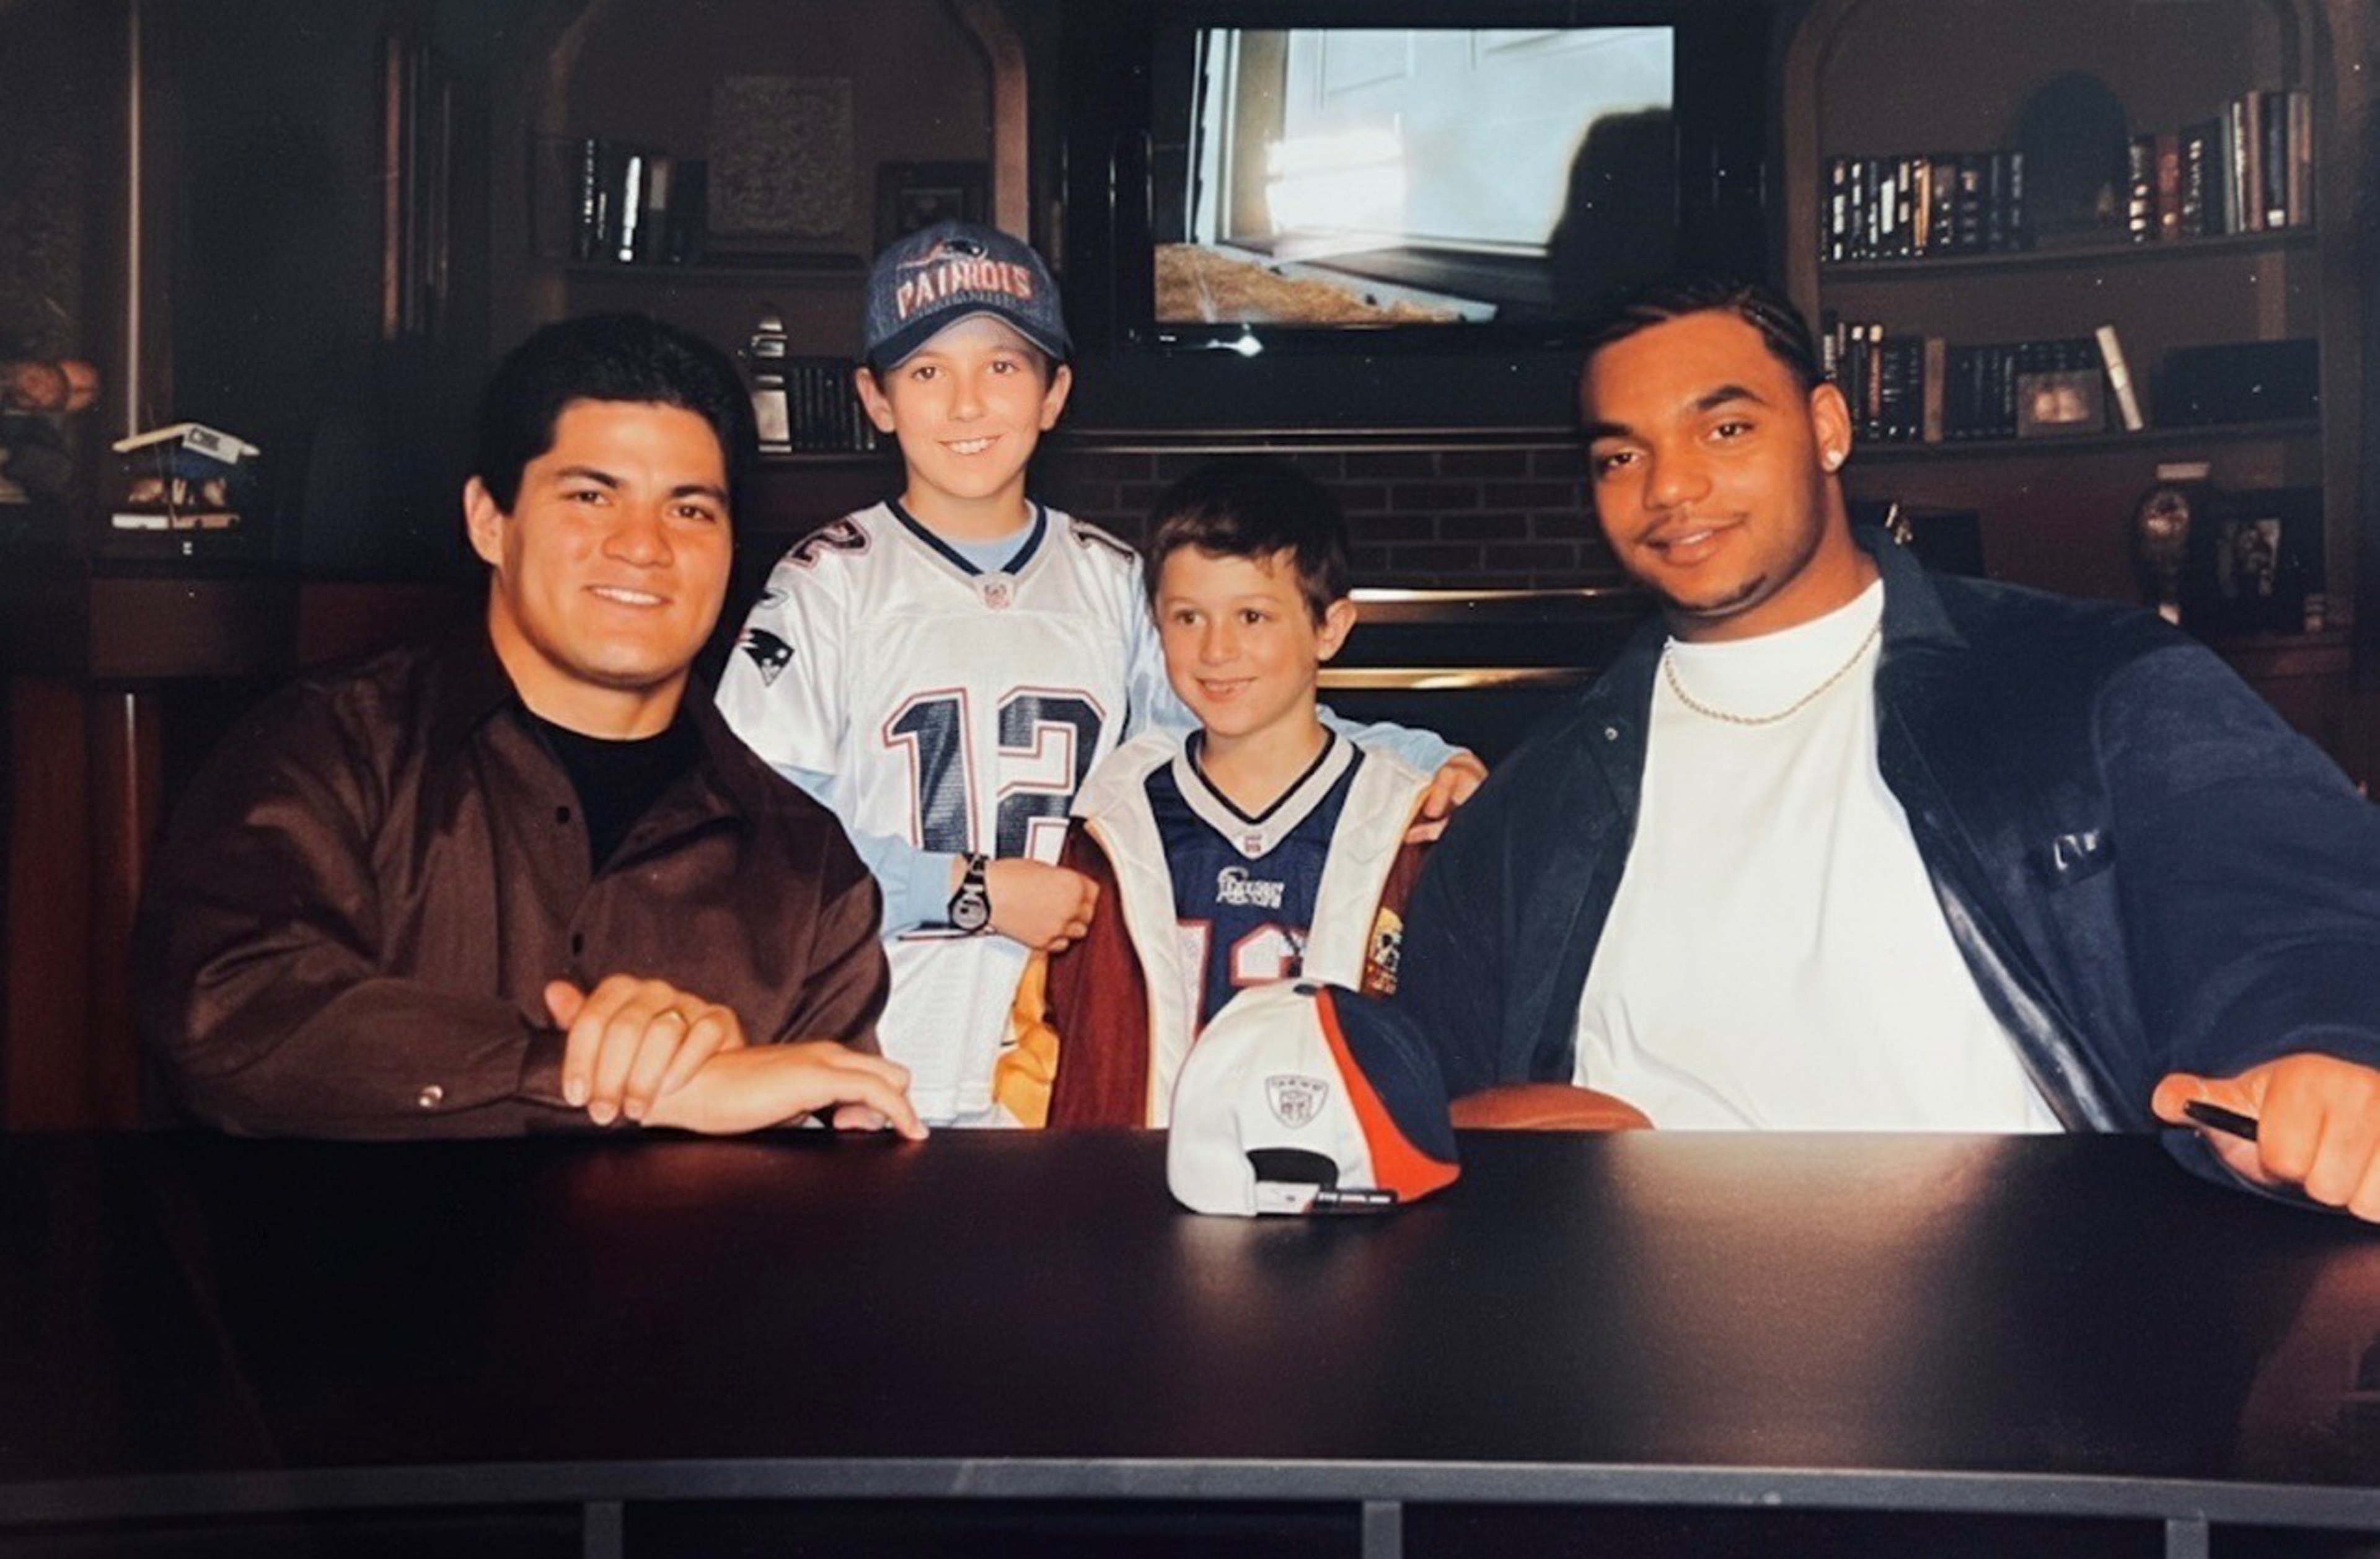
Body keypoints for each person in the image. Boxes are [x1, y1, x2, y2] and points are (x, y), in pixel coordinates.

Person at [1396, 276, 2380, 1218]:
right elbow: (1421, 1104)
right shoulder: (1537, 803)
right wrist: (1481, 1134)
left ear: (1828, 428)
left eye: (1725, 427)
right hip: (1631, 1343)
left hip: (2029, 1331)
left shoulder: (2088, 683)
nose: (1672, 487)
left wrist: (2317, 1052)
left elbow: (2294, 918)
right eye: (1621, 455)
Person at [717, 223, 1484, 1127]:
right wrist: (968, 890)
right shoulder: (825, 584)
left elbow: (1232, 724)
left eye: (1001, 367)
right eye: (927, 372)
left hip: (1070, 1050)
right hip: (876, 1054)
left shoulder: (1112, 580)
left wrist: (1410, 751)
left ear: (1055, 392)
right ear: (875, 399)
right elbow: (752, 847)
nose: (967, 404)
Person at [138, 313, 925, 1141]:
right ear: (490, 521)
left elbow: (827, 1192)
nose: (643, 546)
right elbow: (225, 1009)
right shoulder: (329, 751)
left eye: (689, 510)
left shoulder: (807, 870)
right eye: (591, 496)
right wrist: (588, 1075)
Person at [989, 460, 1435, 1128]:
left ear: (1331, 627)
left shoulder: (1406, 827)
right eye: (1188, 617)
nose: (1216, 650)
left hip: (1338, 1199)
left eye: (1253, 616)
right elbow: (1043, 1043)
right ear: (1155, 623)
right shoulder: (1111, 823)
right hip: (1138, 1205)